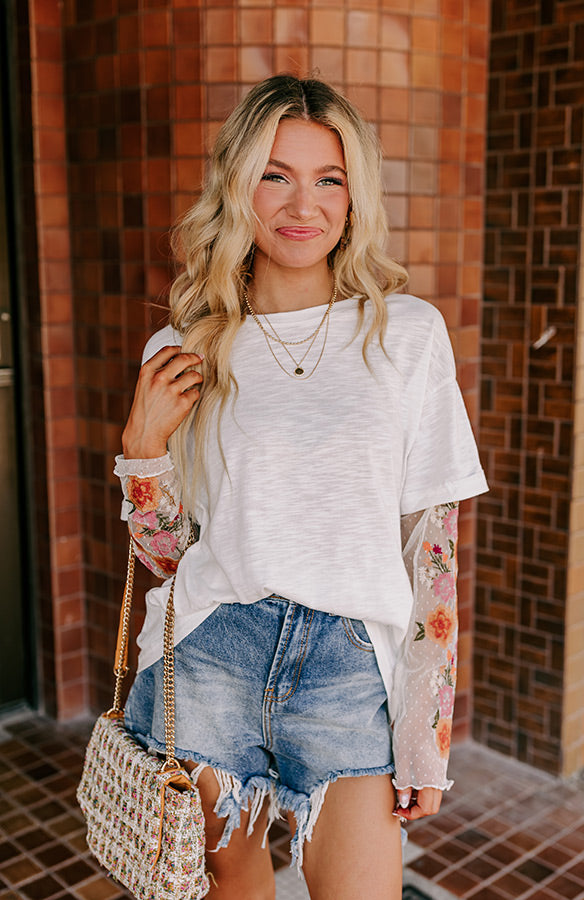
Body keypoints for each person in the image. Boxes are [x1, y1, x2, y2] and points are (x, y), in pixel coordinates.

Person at [115, 75, 488, 899]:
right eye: (275, 174)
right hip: (210, 654)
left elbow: (431, 553)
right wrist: (142, 449)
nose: (302, 203)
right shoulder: (183, 346)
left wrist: (428, 735)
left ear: (355, 197)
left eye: (330, 178)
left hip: (350, 667)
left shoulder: (409, 336)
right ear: (237, 186)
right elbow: (171, 557)